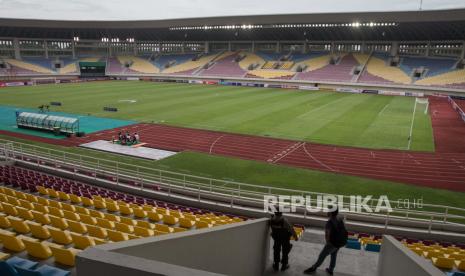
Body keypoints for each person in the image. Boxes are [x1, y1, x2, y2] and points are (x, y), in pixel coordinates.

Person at [304, 206, 348, 275]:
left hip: (332, 243)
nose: (327, 212)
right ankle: (331, 269)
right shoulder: (339, 219)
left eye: (328, 211)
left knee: (322, 255)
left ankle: (314, 267)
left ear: (330, 213)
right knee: (334, 255)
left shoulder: (329, 223)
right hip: (340, 242)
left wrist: (328, 244)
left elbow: (327, 235)